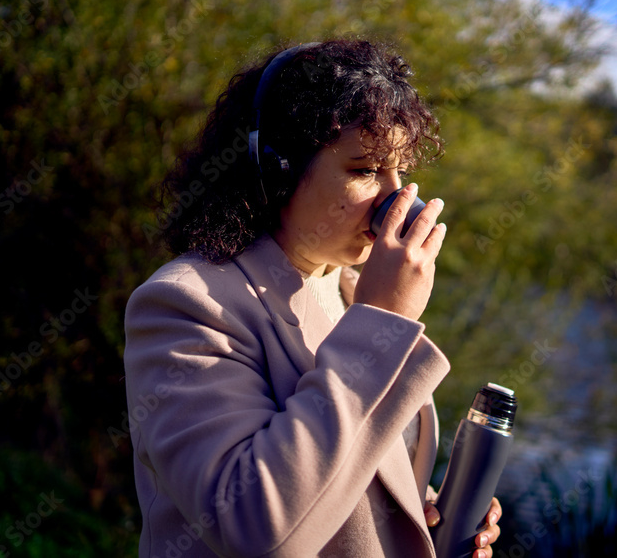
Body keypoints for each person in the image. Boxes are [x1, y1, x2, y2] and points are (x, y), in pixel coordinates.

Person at [123, 39, 502, 557]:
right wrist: (383, 318)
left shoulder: (345, 286)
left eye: (401, 170)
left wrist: (428, 513)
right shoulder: (186, 305)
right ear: (276, 167)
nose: (398, 200)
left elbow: (347, 463)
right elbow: (256, 526)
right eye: (365, 170)